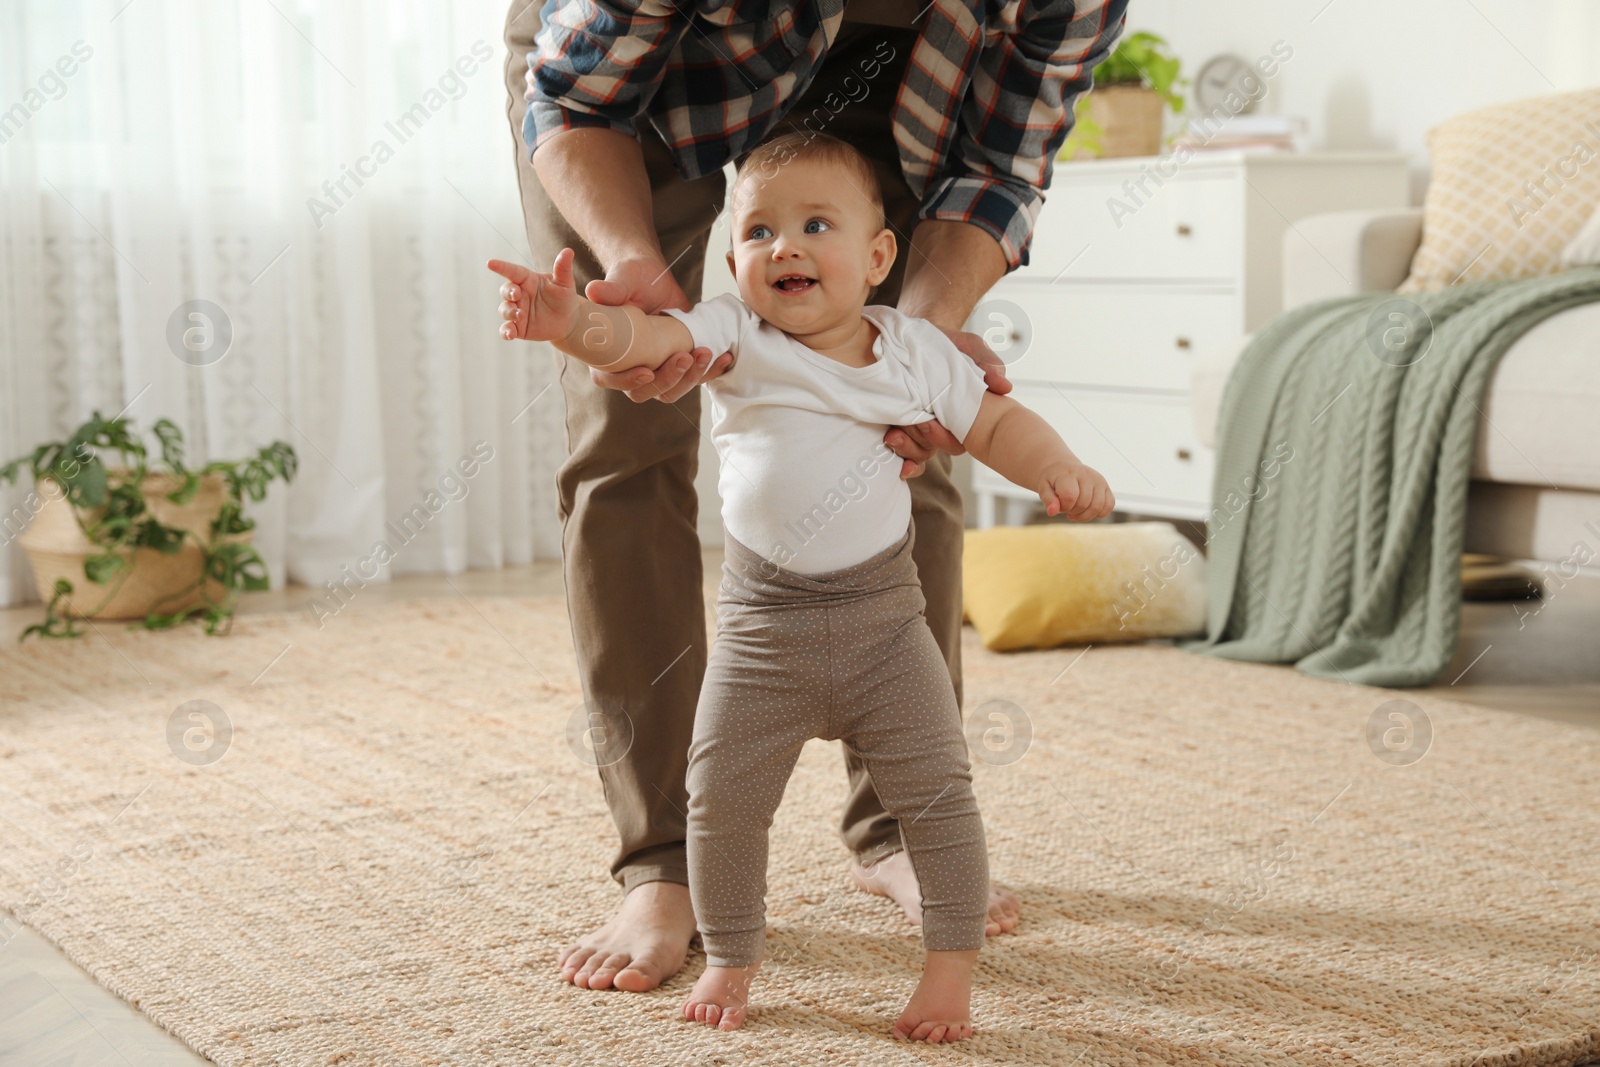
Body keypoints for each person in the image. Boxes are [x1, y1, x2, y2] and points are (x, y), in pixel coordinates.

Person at [500, 0, 1128, 995]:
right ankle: (665, 863)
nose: (786, 251)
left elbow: (998, 169)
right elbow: (579, 103)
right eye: (767, 239)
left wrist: (919, 353)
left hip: (907, 80)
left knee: (902, 413)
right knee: (625, 432)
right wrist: (616, 288)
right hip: (631, 91)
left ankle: (898, 829)